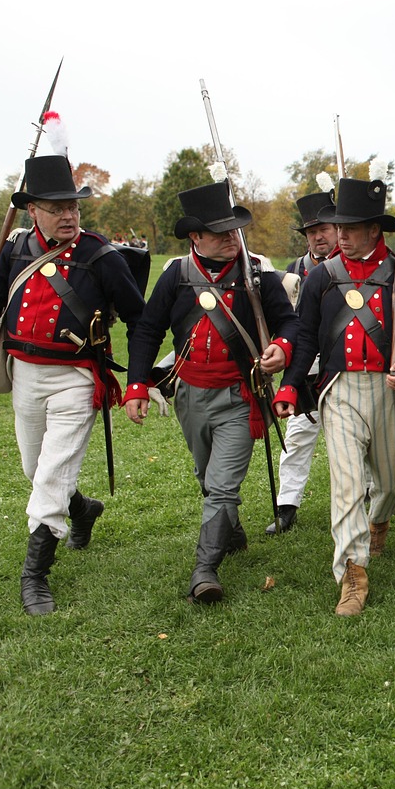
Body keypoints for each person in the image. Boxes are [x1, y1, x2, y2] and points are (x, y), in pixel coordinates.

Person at [0, 149, 146, 615]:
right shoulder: (13, 249)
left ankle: (35, 576)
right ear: (33, 210)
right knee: (37, 470)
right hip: (23, 374)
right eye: (56, 208)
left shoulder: (100, 255)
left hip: (76, 377)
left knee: (48, 478)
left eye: (73, 206)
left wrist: (140, 380)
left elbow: (138, 318)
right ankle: (82, 509)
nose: (68, 215)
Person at [123, 181, 298, 604]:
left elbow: (289, 323)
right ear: (195, 238)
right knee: (207, 476)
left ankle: (205, 570)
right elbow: (148, 329)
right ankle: (230, 531)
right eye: (219, 232)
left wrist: (282, 347)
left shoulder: (258, 273)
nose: (229, 238)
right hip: (190, 396)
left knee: (221, 486)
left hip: (239, 397)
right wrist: (137, 384)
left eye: (232, 230)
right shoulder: (176, 276)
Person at [273, 177, 395, 617]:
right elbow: (305, 336)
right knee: (346, 486)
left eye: (349, 228)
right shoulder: (322, 279)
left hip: (389, 392)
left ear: (375, 231)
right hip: (339, 390)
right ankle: (352, 573)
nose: (339, 236)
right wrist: (290, 383)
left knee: (388, 484)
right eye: (337, 228)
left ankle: (381, 517)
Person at [264, 188, 340, 535]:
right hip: (306, 367)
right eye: (311, 232)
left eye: (323, 229)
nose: (318, 237)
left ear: (338, 229)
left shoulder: (352, 267)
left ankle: (369, 494)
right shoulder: (295, 270)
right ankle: (287, 505)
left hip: (344, 366)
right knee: (296, 438)